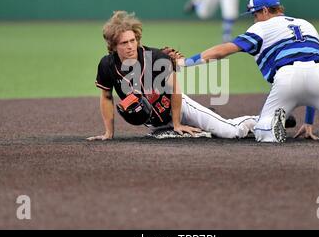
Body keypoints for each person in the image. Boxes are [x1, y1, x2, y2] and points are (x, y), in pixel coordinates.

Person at [180, 0, 319, 143]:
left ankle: (271, 127)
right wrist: (308, 122)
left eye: (255, 14)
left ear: (265, 11)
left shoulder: (260, 28)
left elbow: (221, 51)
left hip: (287, 77)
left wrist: (185, 62)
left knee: (262, 132)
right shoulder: (306, 24)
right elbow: (316, 65)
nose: (254, 19)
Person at [86, 11, 258, 141]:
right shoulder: (107, 65)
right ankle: (202, 123)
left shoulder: (155, 57)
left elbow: (175, 88)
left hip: (180, 108)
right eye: (124, 43)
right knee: (202, 135)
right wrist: (108, 133)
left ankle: (260, 121)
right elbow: (106, 97)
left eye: (133, 40)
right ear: (114, 46)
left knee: (230, 132)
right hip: (155, 125)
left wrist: (177, 123)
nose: (131, 46)